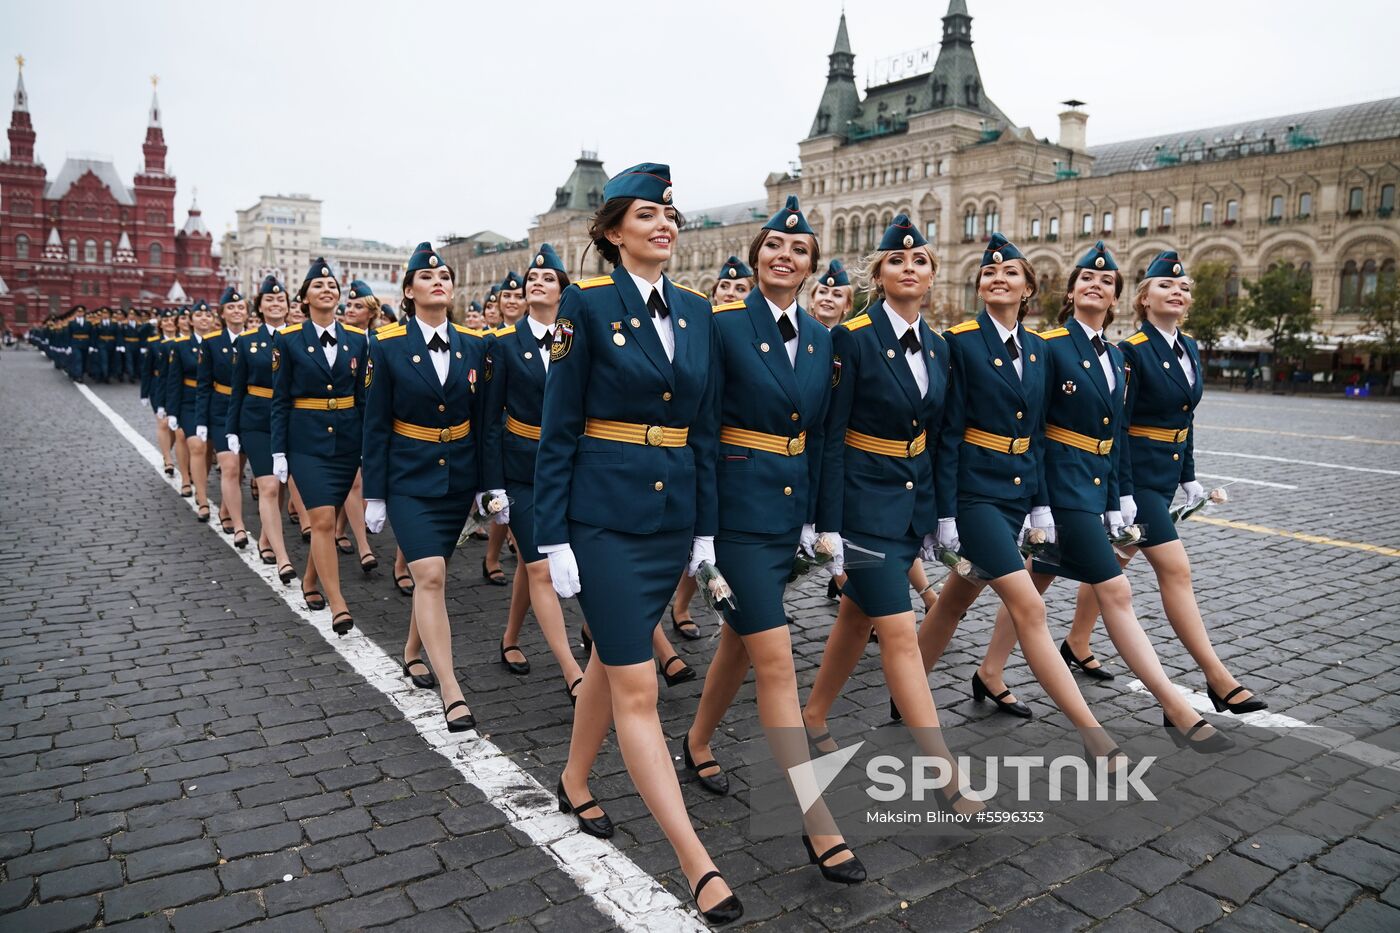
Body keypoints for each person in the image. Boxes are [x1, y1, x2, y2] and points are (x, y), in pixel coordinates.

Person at [536, 163, 741, 924]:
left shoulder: (697, 313)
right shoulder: (585, 306)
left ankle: (574, 780)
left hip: (671, 518)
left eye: (671, 215)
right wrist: (552, 535)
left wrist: (705, 529)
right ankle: (697, 863)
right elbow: (559, 427)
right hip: (602, 521)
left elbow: (706, 430)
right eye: (649, 214)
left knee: (612, 661)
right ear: (614, 230)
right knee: (637, 685)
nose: (665, 225)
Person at [973, 242, 1234, 754]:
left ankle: (988, 669)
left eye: (1107, 281)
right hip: (1059, 489)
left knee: (1031, 582)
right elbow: (1034, 426)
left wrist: (1119, 499)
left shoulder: (1115, 356)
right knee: (1115, 590)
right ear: (1069, 293)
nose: (1096, 285)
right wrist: (1037, 502)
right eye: (1086, 279)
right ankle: (1177, 707)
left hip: (1094, 486)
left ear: (1116, 298)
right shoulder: (1048, 345)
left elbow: (1116, 433)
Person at [684, 196, 865, 884]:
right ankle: (819, 823)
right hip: (734, 512)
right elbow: (702, 430)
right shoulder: (723, 324)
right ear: (758, 255)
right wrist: (702, 531)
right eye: (774, 246)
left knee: (740, 641)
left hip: (785, 514)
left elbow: (822, 438)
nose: (785, 256)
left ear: (812, 267)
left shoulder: (822, 339)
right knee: (777, 660)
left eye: (799, 250)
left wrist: (822, 521)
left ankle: (697, 739)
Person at [798, 215, 983, 816]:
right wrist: (825, 522)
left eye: (920, 261)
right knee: (899, 633)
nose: (909, 268)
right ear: (877, 275)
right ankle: (946, 776)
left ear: (932, 276)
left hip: (909, 505)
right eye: (897, 261)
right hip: (859, 505)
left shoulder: (939, 345)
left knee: (856, 619)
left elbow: (940, 437)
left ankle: (813, 715)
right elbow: (828, 436)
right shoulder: (851, 338)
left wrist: (941, 515)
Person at [1065, 250, 1267, 721]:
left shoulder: (1189, 347)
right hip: (1136, 480)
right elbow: (1118, 425)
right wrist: (1123, 491)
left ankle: (1074, 642)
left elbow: (1184, 418)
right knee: (1176, 570)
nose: (1177, 292)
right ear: (1142, 298)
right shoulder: (1132, 351)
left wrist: (1189, 475)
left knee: (1102, 564)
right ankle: (1218, 679)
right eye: (1165, 285)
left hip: (1165, 477)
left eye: (1184, 288)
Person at [362, 241, 501, 731]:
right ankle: (451, 690)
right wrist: (374, 493)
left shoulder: (476, 345)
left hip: (457, 478)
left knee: (431, 577)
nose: (437, 281)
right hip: (408, 479)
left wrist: (488, 486)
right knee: (431, 575)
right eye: (426, 276)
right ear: (408, 291)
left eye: (444, 276)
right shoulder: (386, 345)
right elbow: (376, 423)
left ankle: (411, 650)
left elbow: (485, 423)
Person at [482, 243, 586, 701]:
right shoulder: (502, 343)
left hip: (573, 469)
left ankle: (510, 637)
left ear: (564, 290)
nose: (537, 283)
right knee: (540, 567)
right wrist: (492, 487)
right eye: (532, 279)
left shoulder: (579, 338)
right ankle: (572, 671)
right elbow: (490, 421)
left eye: (548, 278)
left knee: (532, 562)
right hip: (523, 471)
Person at [271, 258, 369, 636]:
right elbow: (280, 399)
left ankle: (311, 580)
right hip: (306, 443)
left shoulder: (358, 339)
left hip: (346, 441)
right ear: (304, 297)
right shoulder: (288, 339)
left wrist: (366, 444)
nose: (326, 290)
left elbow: (362, 398)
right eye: (318, 286)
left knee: (328, 520)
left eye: (332, 286)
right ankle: (338, 604)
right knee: (324, 521)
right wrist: (279, 450)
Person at [668, 256, 756, 640]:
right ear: (714, 291)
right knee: (686, 532)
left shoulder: (755, 334)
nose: (731, 293)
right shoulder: (695, 326)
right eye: (726, 287)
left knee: (711, 536)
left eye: (741, 288)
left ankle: (689, 603)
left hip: (735, 449)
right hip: (695, 442)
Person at [228, 275, 297, 585]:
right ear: (259, 306)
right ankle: (283, 558)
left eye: (281, 299)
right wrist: (232, 429)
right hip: (257, 420)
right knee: (268, 486)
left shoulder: (298, 338)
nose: (276, 303)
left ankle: (267, 539)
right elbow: (237, 389)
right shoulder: (247, 342)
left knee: (280, 484)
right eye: (269, 299)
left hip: (291, 420)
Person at [333, 280, 381, 573]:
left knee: (354, 480)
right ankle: (364, 547)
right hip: (347, 417)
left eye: (358, 306)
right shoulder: (338, 338)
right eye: (348, 305)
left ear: (371, 312)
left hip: (374, 415)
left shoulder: (380, 340)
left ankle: (339, 529)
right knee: (354, 481)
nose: (350, 309)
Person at [198, 287, 250, 544]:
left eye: (241, 307)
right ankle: (239, 526)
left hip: (247, 410)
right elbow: (204, 384)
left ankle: (226, 509)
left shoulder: (255, 340)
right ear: (222, 313)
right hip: (222, 410)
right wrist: (201, 421)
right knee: (229, 467)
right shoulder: (211, 343)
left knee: (238, 468)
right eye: (231, 307)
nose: (236, 311)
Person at [167, 302, 217, 519]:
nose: (204, 318)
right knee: (197, 446)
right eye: (199, 315)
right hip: (190, 402)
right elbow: (174, 380)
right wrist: (172, 411)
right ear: (190, 320)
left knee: (208, 449)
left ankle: (199, 483)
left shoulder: (220, 343)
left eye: (208, 314)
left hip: (215, 401)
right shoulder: (181, 346)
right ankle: (202, 499)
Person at [143, 309, 178, 476]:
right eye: (165, 320)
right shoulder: (153, 343)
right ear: (160, 325)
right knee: (163, 423)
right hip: (158, 386)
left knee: (174, 426)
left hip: (177, 386)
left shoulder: (182, 341)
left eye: (172, 320)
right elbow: (147, 369)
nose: (169, 323)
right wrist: (144, 393)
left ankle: (166, 451)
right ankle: (168, 459)